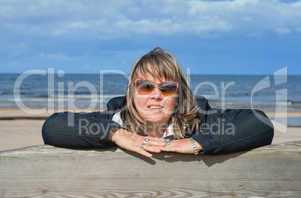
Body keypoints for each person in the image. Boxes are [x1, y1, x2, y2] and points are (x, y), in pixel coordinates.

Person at [42, 47, 274, 158]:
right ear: (131, 92)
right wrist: (118, 135)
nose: (155, 95)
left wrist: (194, 142)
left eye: (167, 88)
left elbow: (260, 122)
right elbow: (53, 126)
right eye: (145, 86)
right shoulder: (113, 120)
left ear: (179, 95)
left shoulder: (201, 121)